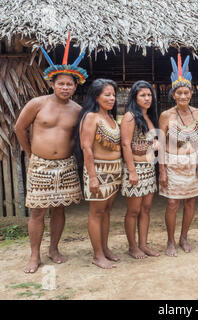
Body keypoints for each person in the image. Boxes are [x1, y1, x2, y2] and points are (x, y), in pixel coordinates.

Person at [14, 34, 87, 273]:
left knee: (59, 208)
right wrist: (30, 152)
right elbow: (19, 128)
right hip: (41, 165)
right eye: (61, 83)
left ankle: (53, 249)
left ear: (75, 86)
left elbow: (81, 137)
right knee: (37, 211)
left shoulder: (77, 110)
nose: (65, 87)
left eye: (70, 84)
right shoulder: (38, 103)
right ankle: (34, 255)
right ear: (52, 84)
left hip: (65, 165)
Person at [158, 53, 198, 257]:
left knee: (191, 202)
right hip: (172, 164)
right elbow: (161, 144)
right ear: (173, 94)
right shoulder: (166, 116)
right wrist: (161, 170)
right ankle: (170, 241)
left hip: (193, 164)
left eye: (186, 93)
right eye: (179, 93)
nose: (182, 96)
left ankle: (184, 237)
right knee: (172, 203)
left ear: (191, 93)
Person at [79, 78, 122, 269]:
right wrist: (93, 177)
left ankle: (105, 249)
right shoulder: (91, 117)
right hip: (99, 170)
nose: (111, 98)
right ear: (96, 96)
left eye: (113, 94)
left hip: (114, 171)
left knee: (106, 212)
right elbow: (86, 148)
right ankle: (97, 255)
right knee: (97, 213)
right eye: (107, 94)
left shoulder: (111, 118)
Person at [120, 80, 160, 259]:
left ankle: (144, 244)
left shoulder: (149, 117)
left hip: (149, 168)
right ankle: (133, 246)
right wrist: (132, 171)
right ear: (135, 97)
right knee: (134, 211)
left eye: (149, 95)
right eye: (142, 95)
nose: (147, 98)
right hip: (135, 168)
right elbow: (126, 144)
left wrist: (155, 146)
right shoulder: (130, 116)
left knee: (146, 209)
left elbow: (149, 144)